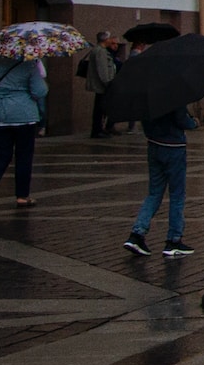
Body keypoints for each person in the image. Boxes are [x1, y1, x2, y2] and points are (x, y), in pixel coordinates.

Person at [0, 49, 49, 210]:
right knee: (24, 155)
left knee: (1, 153)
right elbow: (40, 91)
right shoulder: (30, 64)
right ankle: (22, 196)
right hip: (23, 115)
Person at [123, 102, 196, 258]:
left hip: (154, 145)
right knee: (177, 195)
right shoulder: (174, 94)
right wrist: (194, 122)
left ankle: (137, 234)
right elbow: (181, 120)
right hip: (174, 147)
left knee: (154, 193)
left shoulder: (148, 95)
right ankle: (174, 240)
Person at [80, 32, 121, 137]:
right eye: (109, 39)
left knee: (101, 108)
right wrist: (108, 83)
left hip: (101, 85)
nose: (110, 41)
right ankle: (97, 130)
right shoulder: (100, 52)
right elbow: (103, 70)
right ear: (105, 40)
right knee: (99, 109)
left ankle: (99, 129)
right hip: (102, 86)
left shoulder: (100, 51)